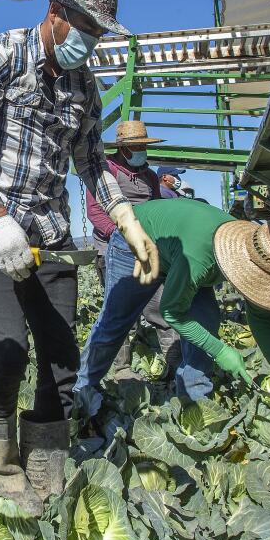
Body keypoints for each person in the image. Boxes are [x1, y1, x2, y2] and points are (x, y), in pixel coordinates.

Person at [0, 0, 159, 517]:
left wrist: (127, 220)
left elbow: (91, 161)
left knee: (63, 358)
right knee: (9, 350)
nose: (91, 41)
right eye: (87, 26)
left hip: (49, 229)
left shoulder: (83, 86)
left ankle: (45, 460)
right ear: (57, 10)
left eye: (99, 31)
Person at [76, 198, 270, 404]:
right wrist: (220, 350)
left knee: (205, 321)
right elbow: (172, 312)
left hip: (181, 250)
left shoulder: (257, 251)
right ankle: (82, 391)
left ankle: (194, 400)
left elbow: (260, 316)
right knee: (116, 322)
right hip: (137, 241)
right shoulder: (201, 258)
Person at [84, 120, 179, 375]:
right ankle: (121, 368)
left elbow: (159, 212)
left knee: (160, 307)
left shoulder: (149, 176)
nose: (141, 151)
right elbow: (96, 213)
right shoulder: (107, 172)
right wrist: (124, 238)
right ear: (123, 148)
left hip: (148, 252)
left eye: (143, 146)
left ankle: (175, 364)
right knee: (120, 311)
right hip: (113, 252)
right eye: (136, 146)